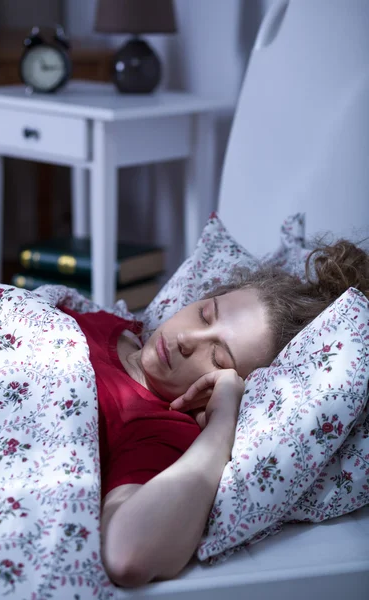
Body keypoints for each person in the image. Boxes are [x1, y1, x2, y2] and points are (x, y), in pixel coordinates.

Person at [61, 239, 369, 588]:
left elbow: (127, 555)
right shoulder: (114, 323)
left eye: (219, 359)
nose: (188, 339)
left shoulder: (157, 431)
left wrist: (222, 423)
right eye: (205, 314)